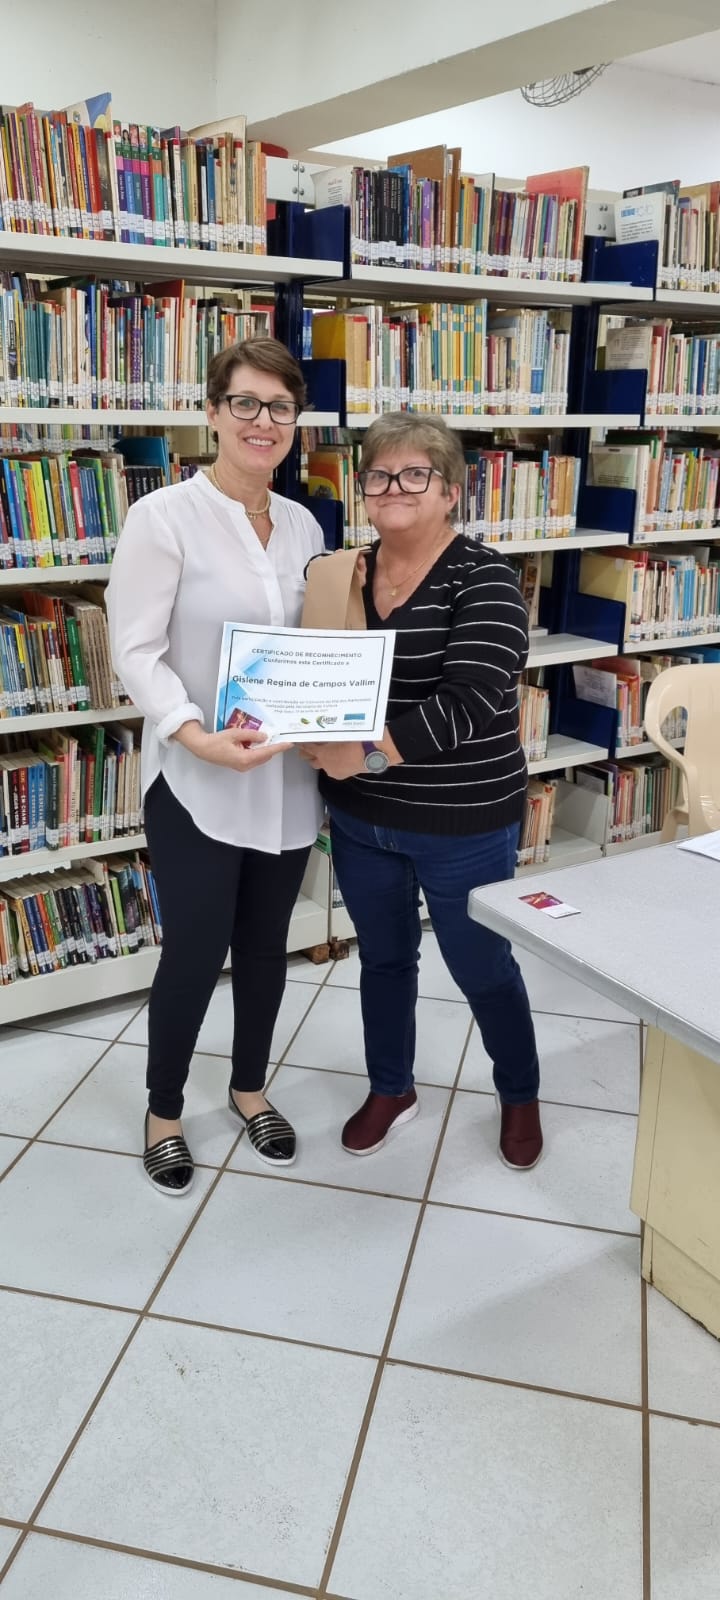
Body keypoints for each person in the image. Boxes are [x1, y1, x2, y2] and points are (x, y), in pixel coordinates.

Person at [107, 338, 325, 1195]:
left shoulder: (304, 525)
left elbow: (316, 646)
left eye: (280, 407)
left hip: (286, 779)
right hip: (195, 778)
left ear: (295, 420)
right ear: (212, 412)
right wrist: (192, 733)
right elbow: (135, 649)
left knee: (267, 947)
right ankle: (164, 1111)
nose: (263, 421)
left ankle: (248, 1089)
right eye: (246, 403)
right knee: (195, 951)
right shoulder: (163, 518)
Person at [301, 413, 542, 1169]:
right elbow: (316, 673)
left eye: (415, 474)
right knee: (383, 959)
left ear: (450, 491)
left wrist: (363, 758)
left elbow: (468, 702)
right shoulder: (340, 573)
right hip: (361, 818)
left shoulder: (486, 578)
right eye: (378, 474)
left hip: (461, 822)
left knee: (481, 967)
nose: (393, 488)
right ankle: (391, 1087)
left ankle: (519, 1092)